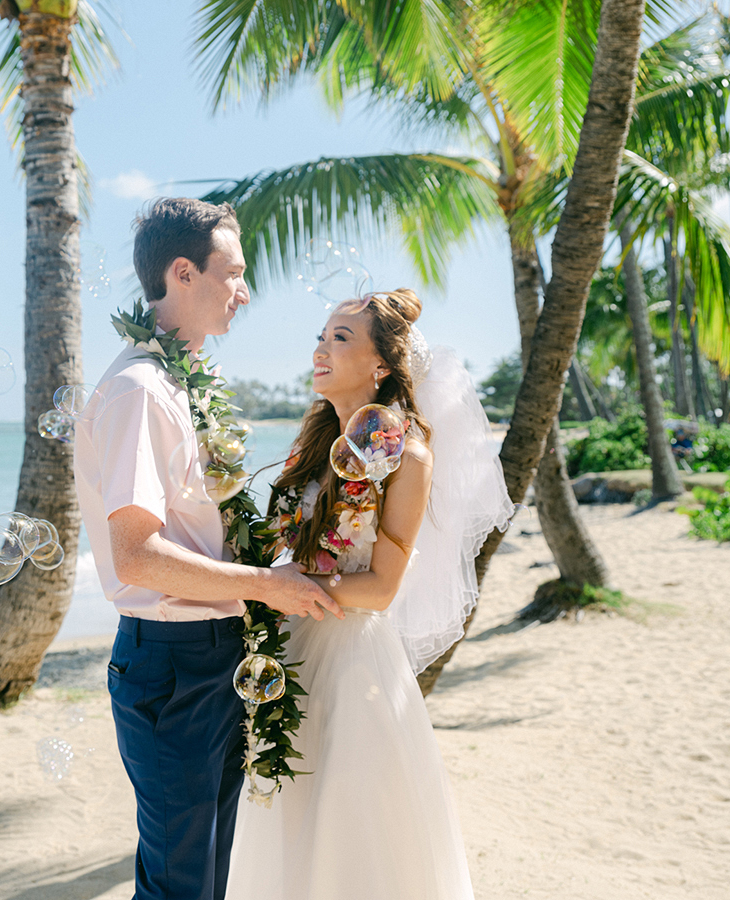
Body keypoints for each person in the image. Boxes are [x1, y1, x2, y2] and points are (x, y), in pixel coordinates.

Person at [73, 197, 342, 900]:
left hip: (211, 651)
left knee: (207, 874)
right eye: (234, 273)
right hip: (173, 661)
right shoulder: (140, 390)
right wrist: (265, 584)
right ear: (184, 273)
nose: (245, 292)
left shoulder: (180, 382)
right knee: (181, 884)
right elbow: (136, 555)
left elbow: (196, 525)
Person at [226, 290, 514, 900]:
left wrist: (290, 589)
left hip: (351, 663)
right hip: (290, 646)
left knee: (351, 838)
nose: (319, 349)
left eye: (340, 338)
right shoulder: (312, 446)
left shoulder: (406, 454)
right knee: (287, 826)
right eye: (321, 335)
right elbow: (284, 544)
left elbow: (382, 588)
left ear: (382, 364)